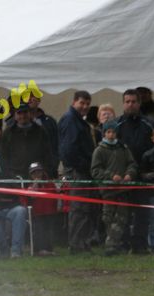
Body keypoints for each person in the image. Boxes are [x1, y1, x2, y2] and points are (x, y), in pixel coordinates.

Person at [117, 89, 154, 254]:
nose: (130, 104)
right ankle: (123, 244)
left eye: (134, 101)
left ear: (139, 103)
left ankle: (140, 245)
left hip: (142, 176)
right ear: (123, 103)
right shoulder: (116, 125)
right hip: (123, 176)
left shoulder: (149, 124)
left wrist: (148, 172)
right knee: (122, 213)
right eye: (127, 101)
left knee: (142, 213)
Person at [91, 120, 137, 256]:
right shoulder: (99, 150)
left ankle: (111, 246)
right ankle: (111, 244)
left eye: (114, 132)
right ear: (104, 133)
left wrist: (130, 174)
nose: (111, 135)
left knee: (121, 218)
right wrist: (111, 176)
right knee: (108, 218)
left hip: (122, 189)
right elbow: (95, 171)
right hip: (107, 191)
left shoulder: (123, 148)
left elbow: (132, 164)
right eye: (108, 132)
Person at [58, 90, 96, 254]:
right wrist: (82, 165)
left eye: (87, 104)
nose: (85, 107)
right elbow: (68, 149)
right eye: (82, 103)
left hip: (82, 169)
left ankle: (82, 242)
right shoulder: (70, 120)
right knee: (79, 208)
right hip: (77, 170)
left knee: (85, 208)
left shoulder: (78, 120)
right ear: (74, 102)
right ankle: (76, 244)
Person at [0, 102, 52, 179]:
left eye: (25, 112)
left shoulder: (40, 131)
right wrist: (8, 175)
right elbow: (3, 156)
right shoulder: (8, 133)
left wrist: (46, 172)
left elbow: (48, 154)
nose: (23, 116)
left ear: (30, 113)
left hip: (37, 176)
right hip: (14, 177)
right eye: (19, 113)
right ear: (15, 115)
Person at [25, 162, 57, 256]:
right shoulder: (30, 186)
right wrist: (35, 186)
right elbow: (29, 198)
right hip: (36, 213)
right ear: (30, 175)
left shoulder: (49, 183)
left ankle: (49, 248)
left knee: (49, 230)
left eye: (39, 172)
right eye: (34, 173)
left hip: (50, 211)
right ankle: (39, 249)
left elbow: (55, 193)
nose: (37, 175)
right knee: (39, 229)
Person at [28, 94, 59, 177]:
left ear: (39, 100)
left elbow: (56, 143)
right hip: (26, 169)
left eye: (32, 96)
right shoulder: (17, 123)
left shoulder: (50, 121)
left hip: (48, 168)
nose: (29, 99)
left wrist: (54, 163)